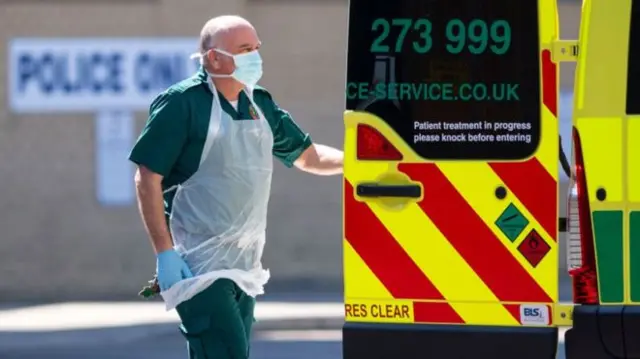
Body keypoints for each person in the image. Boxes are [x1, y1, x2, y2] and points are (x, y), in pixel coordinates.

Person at [128, 15, 343, 359]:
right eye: (244, 50)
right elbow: (147, 177)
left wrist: (357, 163)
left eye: (256, 48)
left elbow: (308, 156)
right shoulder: (182, 103)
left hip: (245, 265)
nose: (255, 57)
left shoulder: (259, 103)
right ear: (214, 58)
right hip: (196, 265)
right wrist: (165, 254)